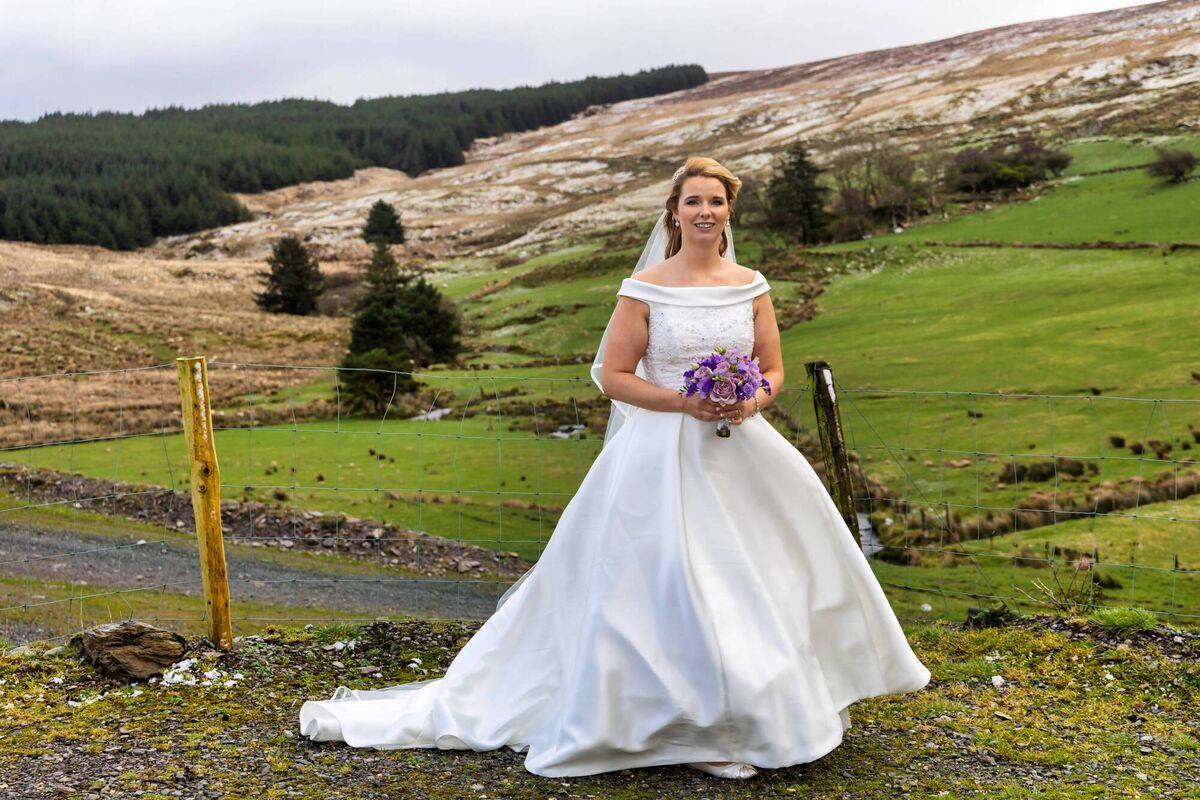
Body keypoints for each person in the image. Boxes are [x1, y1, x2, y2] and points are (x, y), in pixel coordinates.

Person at [299, 156, 932, 780]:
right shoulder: (645, 288)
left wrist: (752, 399)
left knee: (761, 578)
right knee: (672, 585)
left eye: (716, 201)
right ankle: (691, 728)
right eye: (693, 202)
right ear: (675, 213)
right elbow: (613, 376)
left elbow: (772, 368)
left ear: (729, 210)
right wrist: (687, 401)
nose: (705, 211)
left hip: (743, 451)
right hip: (661, 457)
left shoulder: (752, 284)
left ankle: (766, 709)